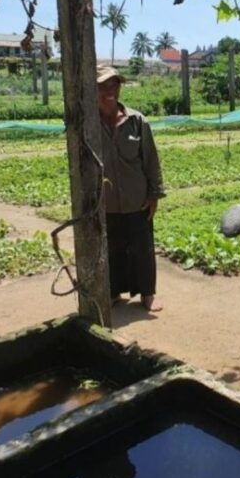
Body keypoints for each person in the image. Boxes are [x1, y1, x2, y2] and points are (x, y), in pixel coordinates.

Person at [97, 65, 165, 312]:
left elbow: (151, 160)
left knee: (142, 247)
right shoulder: (89, 124)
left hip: (137, 199)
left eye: (114, 85)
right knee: (112, 248)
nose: (109, 91)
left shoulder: (137, 121)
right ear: (93, 90)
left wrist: (154, 193)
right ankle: (114, 293)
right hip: (105, 201)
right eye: (103, 86)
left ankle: (147, 295)